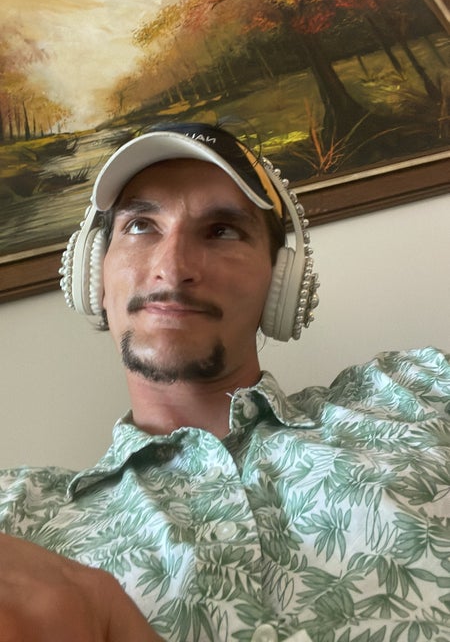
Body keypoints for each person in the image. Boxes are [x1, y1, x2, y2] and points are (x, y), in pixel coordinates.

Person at [0, 121, 449, 642]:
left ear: (282, 284)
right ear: (93, 275)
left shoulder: (419, 393)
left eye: (222, 231)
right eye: (141, 226)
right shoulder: (18, 518)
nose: (173, 268)